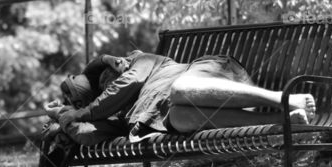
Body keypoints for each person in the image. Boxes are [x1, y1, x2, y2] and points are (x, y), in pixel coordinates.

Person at [46, 50, 315, 147]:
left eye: (106, 75)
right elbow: (89, 134)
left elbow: (128, 83)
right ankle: (286, 121)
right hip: (206, 108)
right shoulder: (125, 116)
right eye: (101, 86)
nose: (107, 83)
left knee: (180, 89)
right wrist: (62, 117)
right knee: (179, 119)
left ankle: (283, 98)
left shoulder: (141, 62)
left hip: (214, 77)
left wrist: (103, 62)